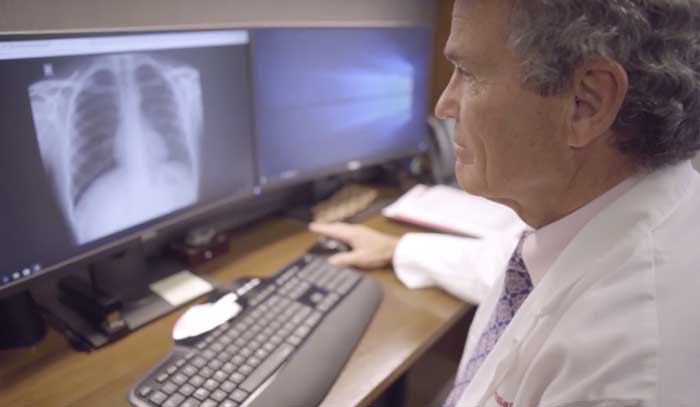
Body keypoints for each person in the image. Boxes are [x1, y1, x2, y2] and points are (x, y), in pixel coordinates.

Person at [311, 0, 700, 405]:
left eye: (467, 73)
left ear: (587, 103)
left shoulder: (625, 372)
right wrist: (399, 248)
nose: (444, 105)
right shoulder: (615, 216)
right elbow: (515, 267)